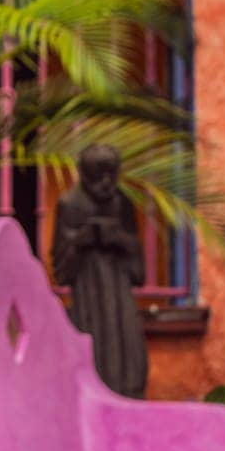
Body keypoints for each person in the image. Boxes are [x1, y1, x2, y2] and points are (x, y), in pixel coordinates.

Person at [52, 143, 148, 399]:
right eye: (98, 175)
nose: (106, 183)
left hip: (119, 289)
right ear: (84, 173)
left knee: (128, 350)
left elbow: (136, 259)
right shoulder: (70, 204)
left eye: (111, 175)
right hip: (88, 292)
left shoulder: (122, 203)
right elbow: (61, 265)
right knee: (94, 348)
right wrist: (83, 238)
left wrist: (116, 237)